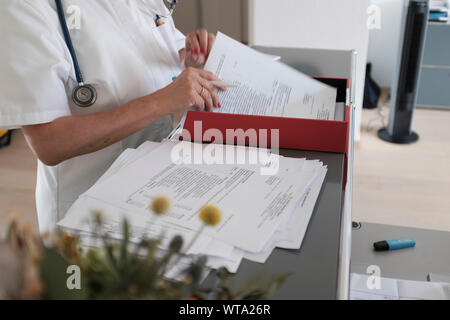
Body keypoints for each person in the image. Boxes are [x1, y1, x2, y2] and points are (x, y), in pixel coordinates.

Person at [0, 0, 224, 233]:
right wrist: (162, 101)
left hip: (158, 186)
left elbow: (148, 52)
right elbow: (49, 142)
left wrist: (189, 57)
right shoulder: (22, 6)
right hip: (90, 210)